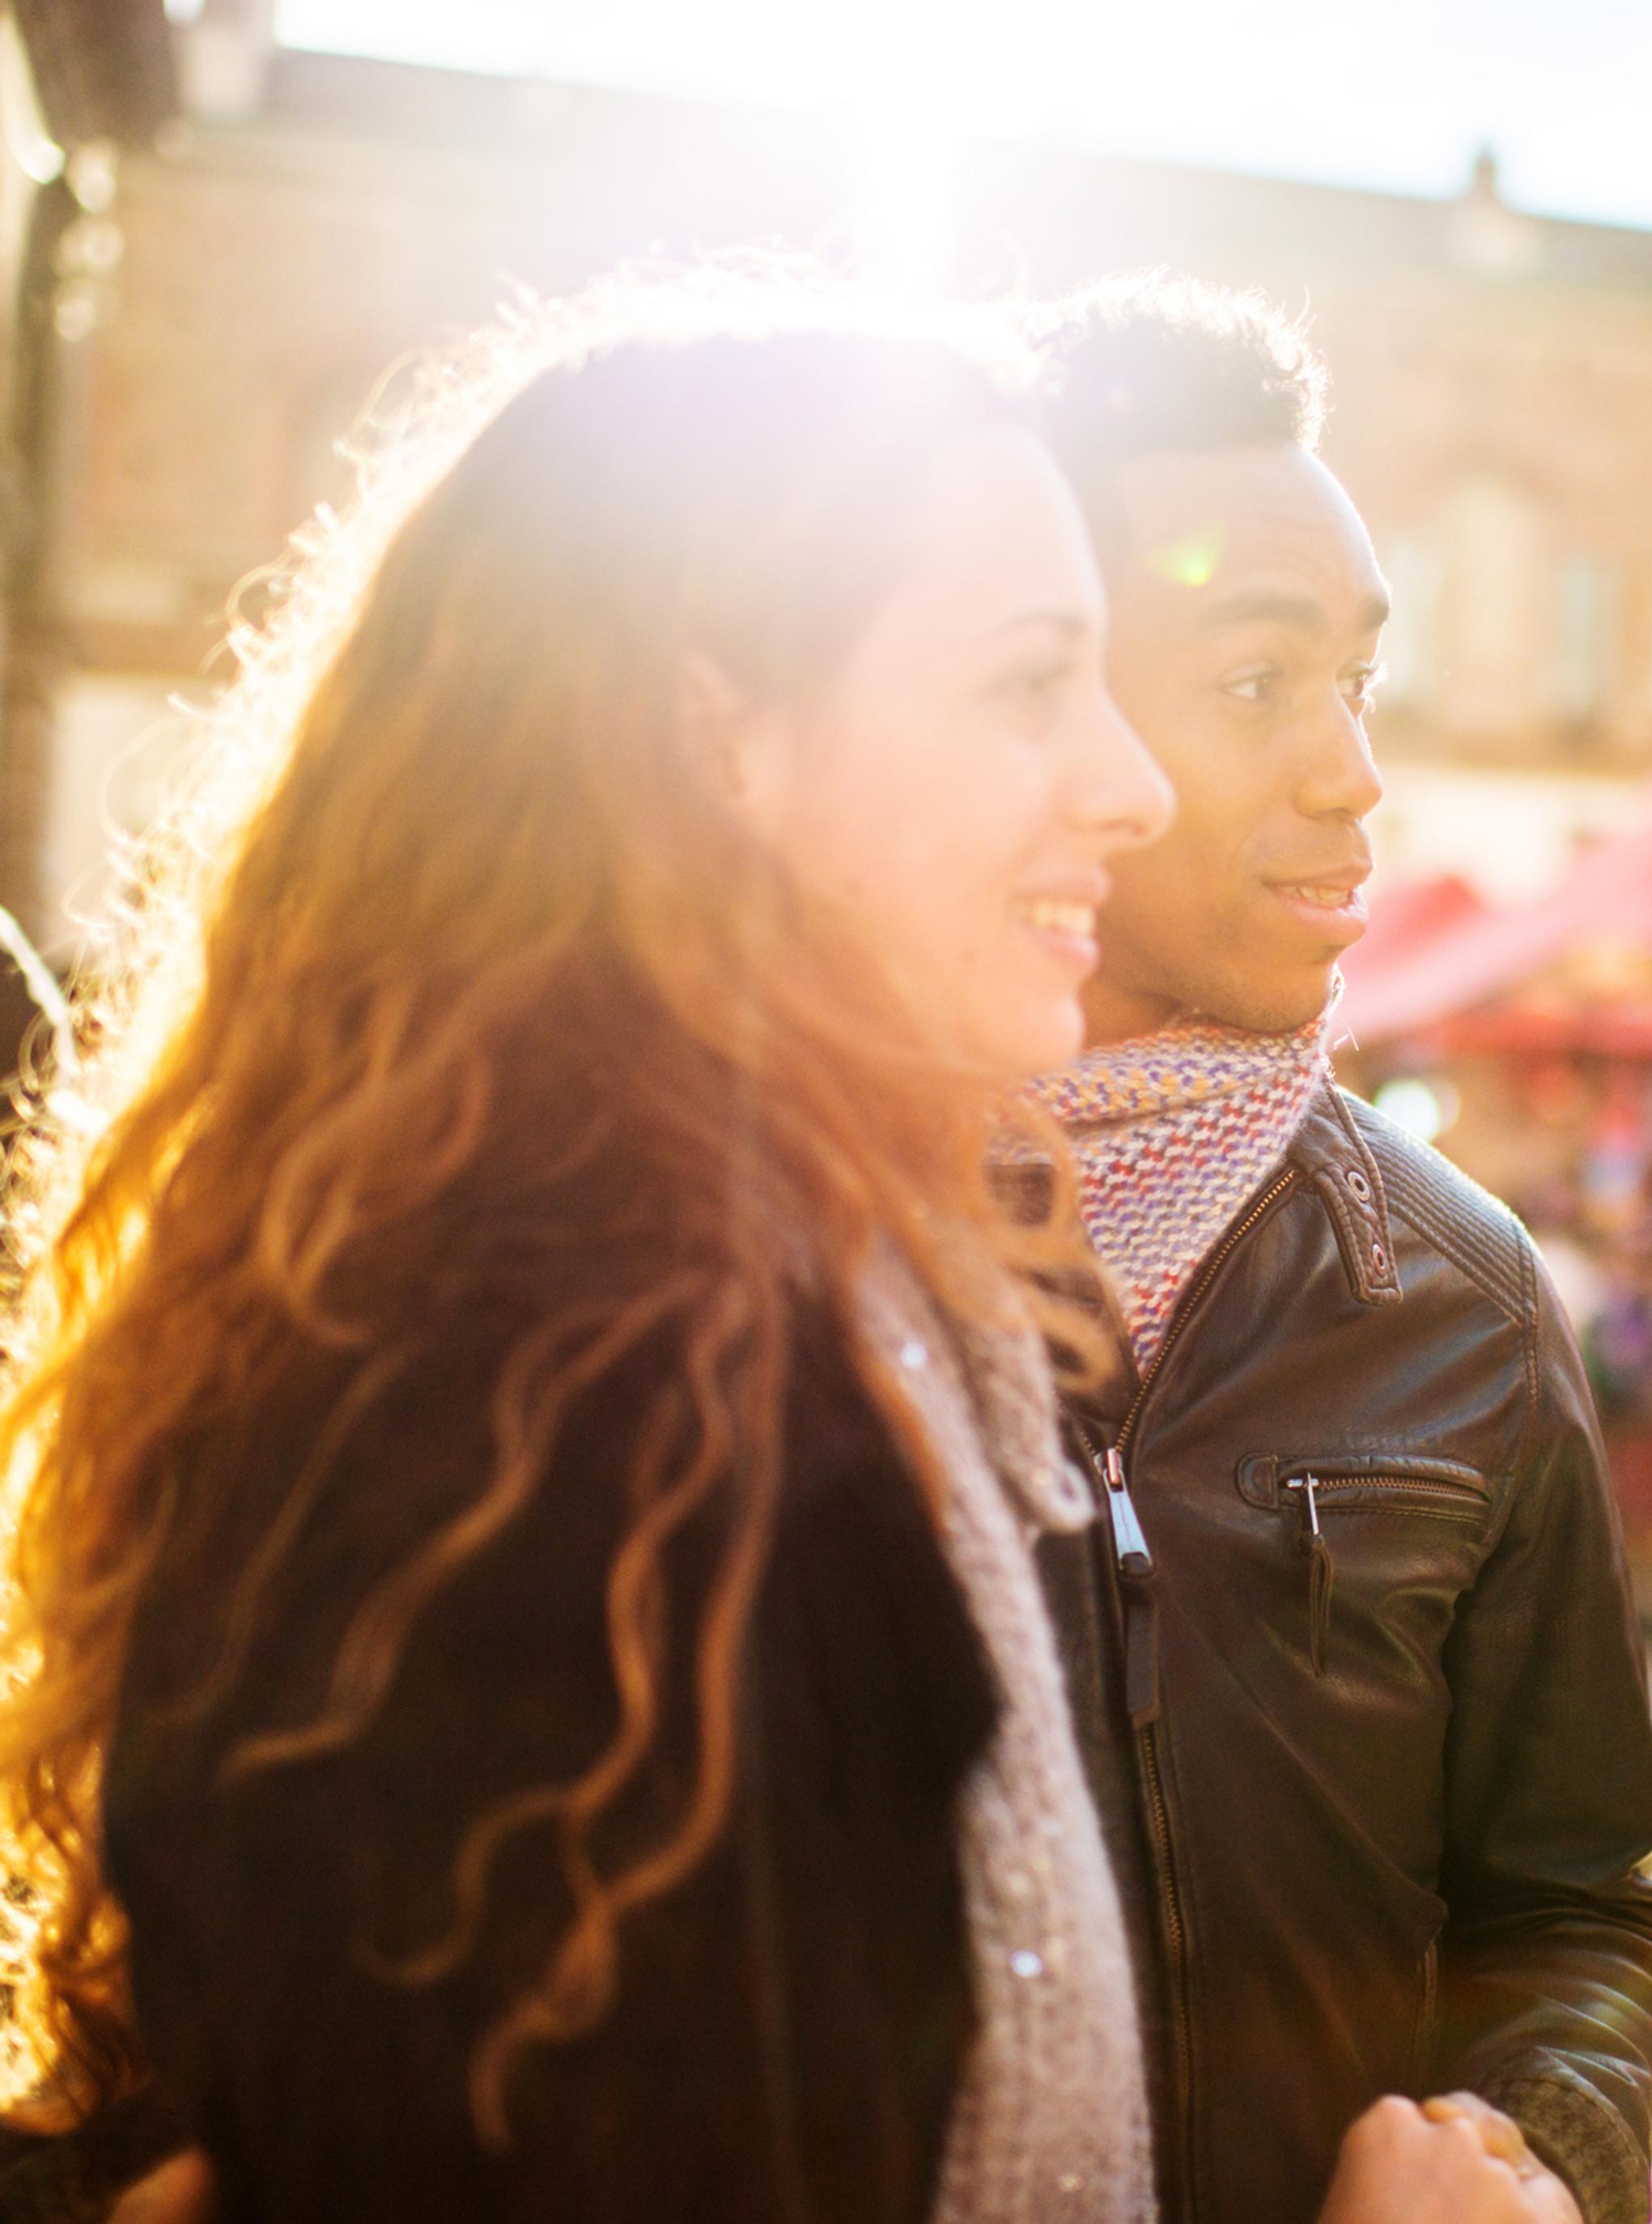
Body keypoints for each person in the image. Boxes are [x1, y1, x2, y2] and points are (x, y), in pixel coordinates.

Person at [0, 278, 1556, 2224]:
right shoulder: (618, 1435)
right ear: (716, 738)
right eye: (1022, 685)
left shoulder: (865, 1328)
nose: (1128, 782)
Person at [1016, 277, 1652, 2224]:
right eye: (1253, 683)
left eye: (1357, 686)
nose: (1350, 772)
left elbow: (1576, 1910)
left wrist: (1530, 2157)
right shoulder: (787, 1243)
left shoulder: (1457, 1298)